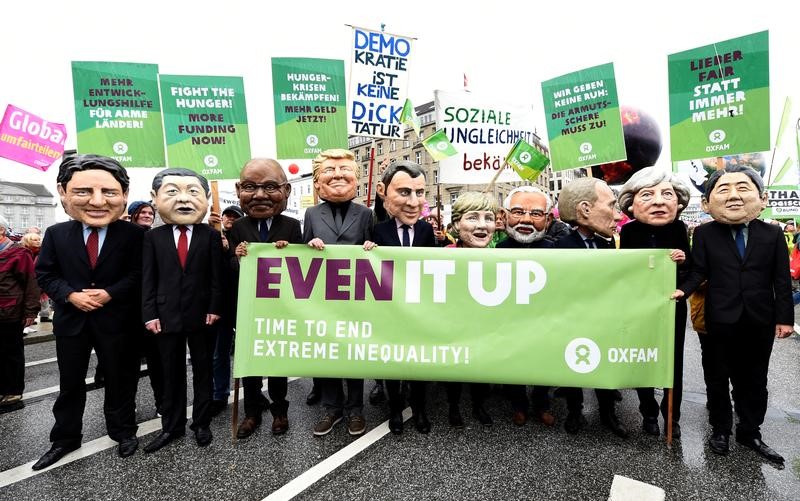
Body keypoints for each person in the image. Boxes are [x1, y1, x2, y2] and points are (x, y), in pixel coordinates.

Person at [672, 165, 793, 464]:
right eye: (724, 190)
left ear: (762, 198)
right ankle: (721, 429)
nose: (734, 196)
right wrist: (682, 291)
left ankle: (750, 431)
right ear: (707, 201)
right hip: (718, 320)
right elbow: (699, 271)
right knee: (716, 378)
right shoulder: (703, 234)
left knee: (753, 379)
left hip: (759, 320)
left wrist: (785, 318)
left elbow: (781, 279)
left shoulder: (773, 233)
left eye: (743, 188)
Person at [33, 154, 144, 470]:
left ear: (123, 194)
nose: (97, 201)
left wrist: (110, 292)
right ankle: (65, 439)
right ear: (64, 193)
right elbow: (45, 273)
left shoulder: (135, 235)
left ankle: (123, 431)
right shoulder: (56, 234)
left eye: (108, 192)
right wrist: (70, 295)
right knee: (70, 383)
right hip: (72, 322)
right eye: (83, 192)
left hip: (118, 322)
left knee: (121, 380)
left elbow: (138, 273)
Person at [141, 168, 222, 453]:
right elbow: (148, 279)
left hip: (203, 316)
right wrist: (149, 314)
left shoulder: (209, 236)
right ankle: (171, 427)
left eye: (192, 192)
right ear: (156, 199)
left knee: (203, 371)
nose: (184, 200)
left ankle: (201, 423)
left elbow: (216, 278)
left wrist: (214, 307)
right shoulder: (153, 237)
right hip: (165, 317)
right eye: (173, 192)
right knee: (170, 374)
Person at [228, 159, 302, 438]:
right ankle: (251, 414)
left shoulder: (292, 226)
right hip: (248, 309)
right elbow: (231, 269)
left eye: (269, 187)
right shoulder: (238, 228)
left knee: (276, 363)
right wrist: (238, 257)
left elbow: (302, 269)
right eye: (250, 187)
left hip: (278, 309)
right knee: (249, 363)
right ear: (239, 190)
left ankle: (280, 411)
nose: (259, 195)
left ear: (285, 191)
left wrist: (289, 251)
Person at [304, 148, 374, 437]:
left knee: (353, 353)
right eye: (329, 171)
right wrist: (309, 243)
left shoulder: (366, 213)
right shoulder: (311, 213)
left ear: (356, 180)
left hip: (356, 297)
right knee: (327, 353)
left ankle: (355, 410)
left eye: (344, 170)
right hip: (322, 297)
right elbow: (301, 250)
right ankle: (332, 409)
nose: (337, 175)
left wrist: (372, 248)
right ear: (318, 183)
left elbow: (375, 249)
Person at [618, 167, 691, 438]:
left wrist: (682, 263)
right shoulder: (629, 232)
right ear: (632, 203)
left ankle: (672, 416)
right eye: (648, 195)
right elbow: (623, 271)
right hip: (639, 307)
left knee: (674, 363)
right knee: (643, 358)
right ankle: (648, 412)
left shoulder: (680, 228)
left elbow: (692, 268)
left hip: (672, 306)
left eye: (667, 194)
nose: (659, 201)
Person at [555, 177, 627, 438]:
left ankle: (608, 413)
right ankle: (575, 412)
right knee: (574, 367)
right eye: (610, 205)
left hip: (602, 321)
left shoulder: (607, 245)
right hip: (573, 320)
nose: (617, 215)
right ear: (585, 209)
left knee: (604, 368)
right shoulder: (560, 248)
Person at [368, 160, 436, 435]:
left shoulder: (426, 230)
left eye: (420, 193)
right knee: (392, 366)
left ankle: (419, 410)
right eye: (405, 193)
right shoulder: (379, 231)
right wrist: (368, 250)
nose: (414, 201)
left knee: (418, 367)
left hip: (418, 312)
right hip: (390, 312)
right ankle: (394, 410)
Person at [496, 186, 555, 428]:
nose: (526, 220)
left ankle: (542, 405)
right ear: (505, 215)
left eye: (536, 214)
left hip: (544, 320)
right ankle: (518, 405)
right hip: (511, 321)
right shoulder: (499, 251)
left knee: (544, 362)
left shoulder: (557, 251)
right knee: (513, 362)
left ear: (548, 219)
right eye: (518, 211)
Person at [445, 191, 498, 428]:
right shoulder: (442, 256)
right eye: (473, 218)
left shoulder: (503, 260)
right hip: (453, 328)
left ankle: (479, 406)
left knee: (481, 370)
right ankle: (453, 407)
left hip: (485, 329)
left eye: (489, 218)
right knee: (454, 372)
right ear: (457, 224)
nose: (482, 225)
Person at [0, 216, 41, 410]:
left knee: (11, 353)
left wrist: (30, 312)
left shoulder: (18, 253)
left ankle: (13, 391)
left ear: (1, 230)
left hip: (10, 312)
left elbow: (31, 284)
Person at [210, 203, 244, 416]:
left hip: (242, 302)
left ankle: (254, 393)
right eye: (227, 216)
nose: (230, 219)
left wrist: (230, 251)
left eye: (234, 216)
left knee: (246, 351)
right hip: (221, 305)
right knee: (219, 353)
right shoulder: (213, 237)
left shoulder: (243, 238)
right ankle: (219, 393)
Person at [19, 232, 45, 335]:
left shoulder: (41, 253)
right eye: (34, 240)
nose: (38, 241)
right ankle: (23, 326)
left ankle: (28, 325)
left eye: (38, 239)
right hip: (25, 283)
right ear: (27, 241)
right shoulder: (23, 252)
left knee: (34, 303)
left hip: (37, 283)